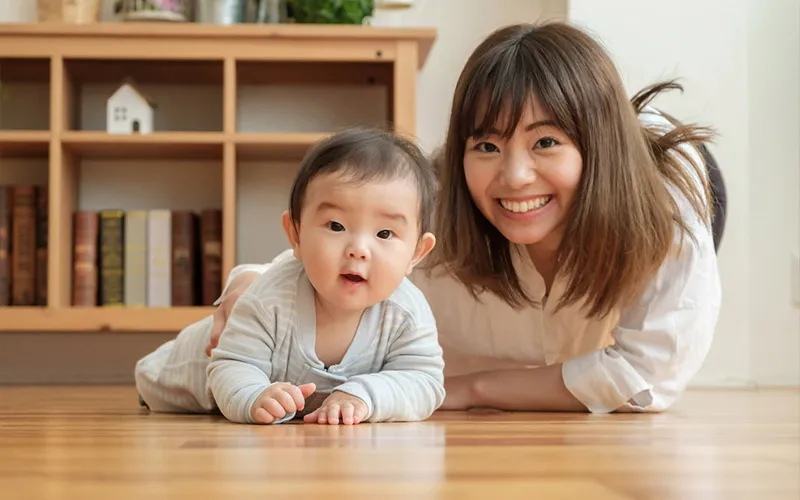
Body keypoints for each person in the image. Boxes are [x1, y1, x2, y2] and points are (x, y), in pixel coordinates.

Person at [199, 20, 723, 415]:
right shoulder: (444, 194)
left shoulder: (669, 205)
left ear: (595, 146)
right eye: (487, 145)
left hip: (647, 184)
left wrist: (472, 388)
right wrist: (251, 280)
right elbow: (345, 244)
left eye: (545, 141)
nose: (514, 176)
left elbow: (647, 375)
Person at [135, 127, 445, 425]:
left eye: (385, 233)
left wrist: (365, 396)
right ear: (295, 234)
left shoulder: (407, 313)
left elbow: (424, 381)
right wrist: (254, 396)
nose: (359, 250)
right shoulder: (269, 299)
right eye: (336, 226)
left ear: (417, 253)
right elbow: (233, 365)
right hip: (191, 369)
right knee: (154, 378)